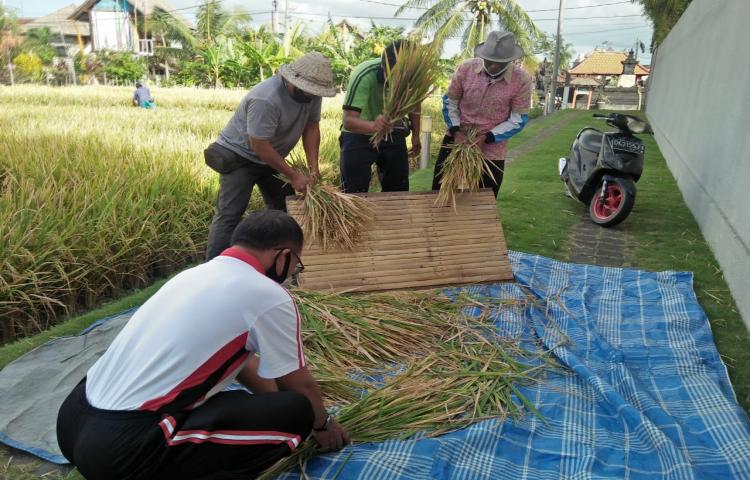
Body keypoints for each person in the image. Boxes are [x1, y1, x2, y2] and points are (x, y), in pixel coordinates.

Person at [57, 210, 350, 480]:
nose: (291, 275)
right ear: (283, 255)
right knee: (297, 411)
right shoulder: (268, 294)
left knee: (243, 402)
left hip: (72, 421)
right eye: (295, 265)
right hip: (121, 449)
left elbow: (243, 364)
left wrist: (269, 404)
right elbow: (299, 386)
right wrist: (322, 425)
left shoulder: (193, 275)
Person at [204, 52, 337, 261]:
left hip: (273, 156)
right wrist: (293, 176)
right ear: (293, 81)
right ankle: (214, 266)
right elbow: (259, 145)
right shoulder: (265, 98)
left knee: (283, 210)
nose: (312, 96)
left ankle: (279, 262)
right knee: (230, 215)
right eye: (309, 92)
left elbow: (311, 128)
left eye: (315, 92)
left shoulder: (311, 94)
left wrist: (314, 169)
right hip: (241, 157)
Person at [432, 31, 532, 197]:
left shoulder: (521, 79)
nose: (493, 66)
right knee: (441, 189)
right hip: (457, 140)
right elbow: (450, 102)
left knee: (485, 197)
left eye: (499, 63)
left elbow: (518, 119)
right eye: (490, 61)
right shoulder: (466, 69)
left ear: (510, 60)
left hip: (492, 148)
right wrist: (456, 132)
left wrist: (487, 137)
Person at [339, 40, 421, 193]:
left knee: (398, 189)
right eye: (392, 76)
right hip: (359, 132)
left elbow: (415, 104)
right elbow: (348, 121)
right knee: (353, 191)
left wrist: (416, 135)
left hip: (392, 131)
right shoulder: (364, 75)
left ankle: (394, 215)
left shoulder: (413, 76)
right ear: (384, 66)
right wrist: (373, 126)